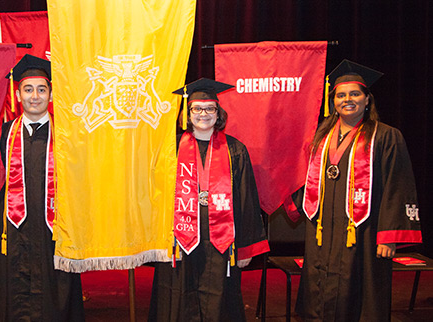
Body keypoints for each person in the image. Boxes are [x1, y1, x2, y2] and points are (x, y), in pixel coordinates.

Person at [295, 60, 422, 321]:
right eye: (341, 95)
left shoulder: (386, 136)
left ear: (367, 100)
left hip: (364, 231)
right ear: (334, 102)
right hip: (324, 229)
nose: (347, 99)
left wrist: (388, 236)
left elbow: (398, 185)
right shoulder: (322, 135)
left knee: (362, 296)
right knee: (319, 288)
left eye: (355, 94)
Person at [149, 79, 269, 322]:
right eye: (197, 109)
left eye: (209, 109)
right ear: (187, 112)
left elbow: (247, 200)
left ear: (218, 113)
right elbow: (156, 194)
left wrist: (246, 246)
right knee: (180, 295)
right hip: (179, 240)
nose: (203, 114)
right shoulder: (170, 148)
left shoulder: (235, 149)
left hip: (222, 241)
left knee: (220, 296)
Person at [0, 54, 85, 321]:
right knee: (15, 286)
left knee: (56, 287)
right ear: (18, 94)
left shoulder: (67, 134)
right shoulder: (5, 133)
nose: (35, 96)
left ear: (51, 94)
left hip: (56, 226)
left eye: (42, 90)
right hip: (14, 226)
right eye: (28, 89)